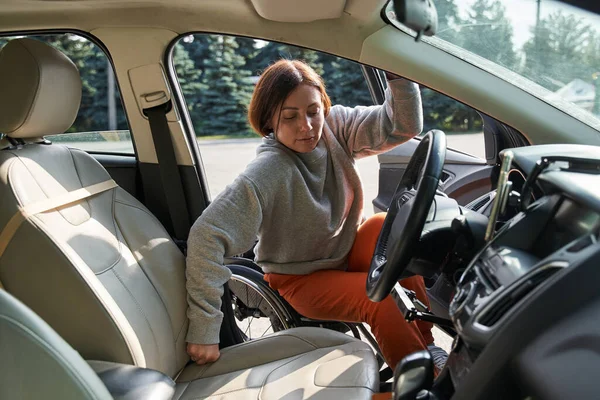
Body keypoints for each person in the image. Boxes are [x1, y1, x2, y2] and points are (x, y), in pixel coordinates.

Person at [185, 59, 443, 370]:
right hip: (301, 280)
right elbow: (206, 235)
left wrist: (397, 72)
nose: (306, 127)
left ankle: (427, 346)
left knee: (389, 230)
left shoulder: (335, 126)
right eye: (290, 117)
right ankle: (418, 377)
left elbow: (402, 125)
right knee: (380, 299)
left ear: (323, 106)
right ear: (269, 120)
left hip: (344, 253)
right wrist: (205, 328)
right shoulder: (267, 172)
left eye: (313, 111)